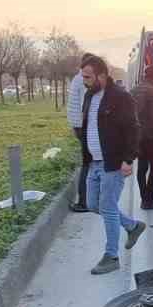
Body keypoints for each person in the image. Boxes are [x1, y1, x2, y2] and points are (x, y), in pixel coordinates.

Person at [78, 55, 147, 274]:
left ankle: (111, 256)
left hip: (114, 163)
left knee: (107, 207)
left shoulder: (121, 97)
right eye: (83, 76)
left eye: (88, 77)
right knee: (92, 204)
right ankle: (132, 225)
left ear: (102, 75)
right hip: (93, 162)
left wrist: (128, 160)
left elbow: (133, 129)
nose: (84, 80)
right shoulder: (89, 95)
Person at [132, 64, 153, 211]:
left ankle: (144, 198)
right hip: (150, 135)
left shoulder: (134, 90)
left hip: (136, 134)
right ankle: (149, 199)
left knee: (141, 167)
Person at [66, 53, 95, 213]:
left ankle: (87, 199)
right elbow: (87, 104)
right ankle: (84, 201)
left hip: (78, 125)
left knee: (88, 163)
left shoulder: (77, 78)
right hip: (83, 125)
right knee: (87, 164)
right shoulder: (84, 81)